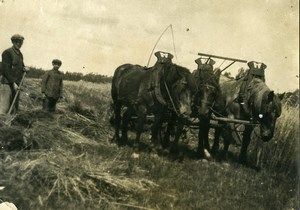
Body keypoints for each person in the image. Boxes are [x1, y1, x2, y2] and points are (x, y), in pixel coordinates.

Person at [0, 34, 29, 114]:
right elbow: (6, 70)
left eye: (20, 42)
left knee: (14, 108)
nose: (19, 44)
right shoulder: (7, 53)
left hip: (17, 84)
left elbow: (21, 67)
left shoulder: (20, 54)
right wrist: (13, 82)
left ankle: (11, 125)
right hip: (7, 84)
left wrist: (24, 68)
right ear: (13, 42)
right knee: (4, 108)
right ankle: (2, 125)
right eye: (17, 42)